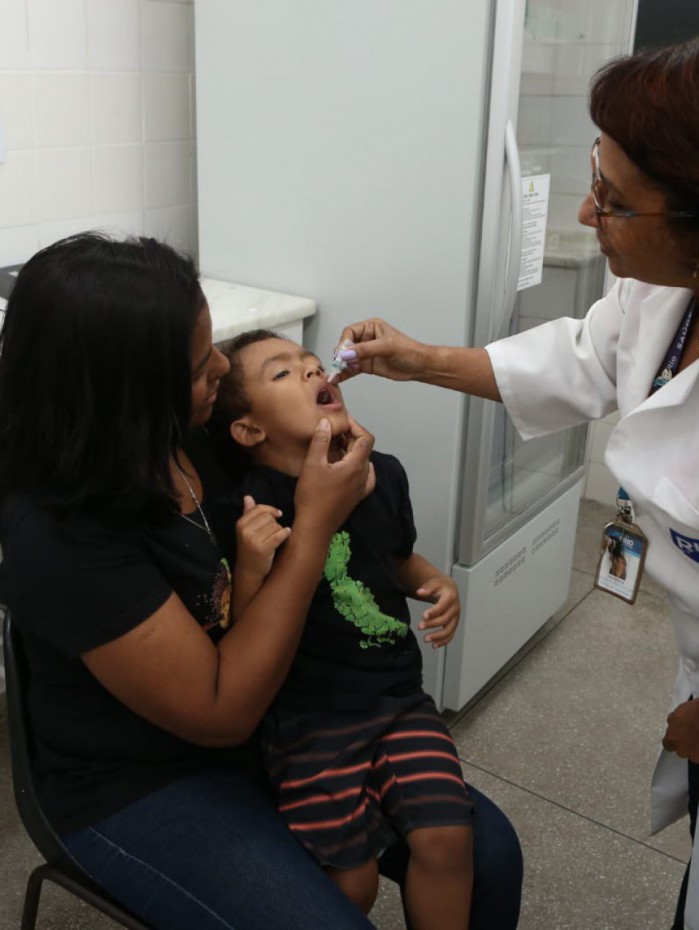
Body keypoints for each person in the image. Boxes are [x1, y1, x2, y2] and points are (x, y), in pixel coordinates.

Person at [0, 231, 522, 930]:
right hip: (143, 780)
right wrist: (313, 526)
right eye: (195, 367)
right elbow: (220, 713)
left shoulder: (191, 433)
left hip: (291, 713)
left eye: (211, 346)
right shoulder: (59, 535)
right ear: (124, 397)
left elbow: (296, 456)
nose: (219, 368)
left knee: (487, 851)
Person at [331, 37, 699, 930]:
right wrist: (418, 360)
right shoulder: (664, 293)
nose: (583, 209)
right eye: (590, 178)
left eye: (612, 203)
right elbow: (576, 358)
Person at [209, 329, 473, 929]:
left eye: (310, 364)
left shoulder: (383, 473)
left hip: (399, 701)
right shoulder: (250, 510)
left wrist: (440, 583)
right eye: (283, 374)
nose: (309, 372)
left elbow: (397, 559)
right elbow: (243, 640)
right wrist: (250, 566)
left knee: (448, 840)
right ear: (250, 431)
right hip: (309, 722)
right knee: (349, 882)